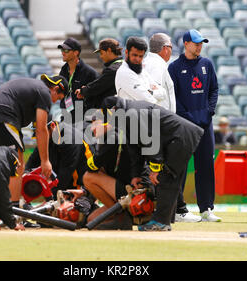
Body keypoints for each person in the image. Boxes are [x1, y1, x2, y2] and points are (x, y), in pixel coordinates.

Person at [99, 96, 204, 231]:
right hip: (177, 137)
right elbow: (134, 149)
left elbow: (150, 141)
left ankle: (161, 222)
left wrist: (156, 168)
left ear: (114, 110)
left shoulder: (133, 113)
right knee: (170, 180)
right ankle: (165, 220)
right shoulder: (127, 114)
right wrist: (135, 175)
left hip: (179, 137)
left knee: (165, 178)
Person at [0, 75, 68, 207]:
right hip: (3, 117)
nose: (54, 102)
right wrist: (45, 161)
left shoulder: (33, 86)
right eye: (58, 98)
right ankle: (14, 212)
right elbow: (42, 129)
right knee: (17, 165)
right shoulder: (44, 92)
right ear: (56, 89)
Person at [168, 29, 221, 222]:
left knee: (206, 166)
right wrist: (188, 117)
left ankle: (206, 209)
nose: (199, 46)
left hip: (205, 125)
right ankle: (178, 208)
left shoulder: (207, 64)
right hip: (184, 126)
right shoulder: (174, 67)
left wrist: (209, 112)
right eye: (196, 43)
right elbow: (173, 96)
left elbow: (214, 89)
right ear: (186, 43)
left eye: (201, 43)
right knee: (180, 167)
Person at [82, 114, 148, 230]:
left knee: (88, 177)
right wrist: (83, 192)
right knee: (91, 219)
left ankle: (120, 216)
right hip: (122, 192)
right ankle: (123, 216)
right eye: (91, 124)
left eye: (96, 124)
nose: (92, 128)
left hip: (135, 191)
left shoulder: (114, 137)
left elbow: (92, 168)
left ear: (108, 123)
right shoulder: (105, 139)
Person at [25, 116, 88, 198]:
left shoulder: (70, 139)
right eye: (38, 134)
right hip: (67, 180)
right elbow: (31, 164)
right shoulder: (46, 138)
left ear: (52, 125)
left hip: (82, 185)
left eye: (42, 133)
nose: (40, 138)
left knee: (57, 206)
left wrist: (50, 198)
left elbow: (64, 177)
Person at [115, 37, 168, 107]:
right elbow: (148, 100)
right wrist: (151, 91)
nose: (137, 59)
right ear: (126, 52)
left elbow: (163, 93)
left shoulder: (141, 71)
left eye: (140, 56)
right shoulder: (124, 73)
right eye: (135, 55)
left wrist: (150, 92)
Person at [58, 37, 98, 123]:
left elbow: (96, 98)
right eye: (62, 50)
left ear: (76, 53)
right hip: (66, 117)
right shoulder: (63, 71)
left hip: (84, 121)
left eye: (66, 50)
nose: (63, 53)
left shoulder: (90, 73)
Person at [75, 38, 123, 110]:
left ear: (109, 50)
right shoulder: (122, 64)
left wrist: (83, 91)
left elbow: (98, 85)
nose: (101, 56)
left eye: (101, 53)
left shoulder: (113, 69)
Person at [143, 33, 176, 112]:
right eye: (171, 47)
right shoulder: (157, 65)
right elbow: (154, 94)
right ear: (165, 48)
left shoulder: (147, 61)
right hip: (160, 118)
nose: (171, 50)